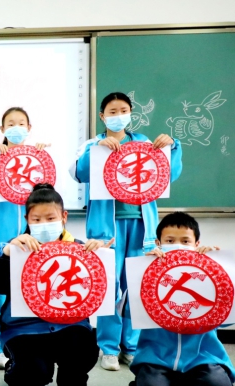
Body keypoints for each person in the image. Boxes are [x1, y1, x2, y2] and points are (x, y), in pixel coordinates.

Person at [69, 92, 183, 371]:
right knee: (108, 288)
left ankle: (130, 346)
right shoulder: (93, 144)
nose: (118, 115)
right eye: (112, 111)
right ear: (102, 116)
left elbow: (169, 174)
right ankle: (108, 348)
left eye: (123, 110)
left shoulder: (144, 143)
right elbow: (79, 173)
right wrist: (96, 150)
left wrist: (172, 146)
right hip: (105, 231)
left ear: (131, 113)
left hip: (142, 227)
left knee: (136, 287)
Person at [0, 183, 110, 386]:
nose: (44, 224)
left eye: (50, 218)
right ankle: (16, 381)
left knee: (85, 348)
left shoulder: (81, 249)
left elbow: (106, 292)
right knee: (35, 369)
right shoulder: (13, 248)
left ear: (64, 217)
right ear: (27, 219)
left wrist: (100, 258)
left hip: (70, 325)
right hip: (24, 327)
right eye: (36, 219)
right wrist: (7, 253)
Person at [129, 211, 235, 386]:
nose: (177, 245)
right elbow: (127, 313)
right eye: (169, 241)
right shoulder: (148, 272)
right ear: (158, 243)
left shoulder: (209, 275)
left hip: (202, 359)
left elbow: (227, 320)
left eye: (185, 241)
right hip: (156, 359)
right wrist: (142, 276)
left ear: (197, 244)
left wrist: (221, 274)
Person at [0, 106, 50, 370]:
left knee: (35, 290)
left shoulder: (39, 158)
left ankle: (32, 341)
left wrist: (43, 158)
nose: (16, 127)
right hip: (0, 236)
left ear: (29, 128)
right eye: (10, 123)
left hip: (35, 237)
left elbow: (49, 196)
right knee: (0, 294)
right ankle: (3, 347)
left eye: (21, 123)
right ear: (2, 129)